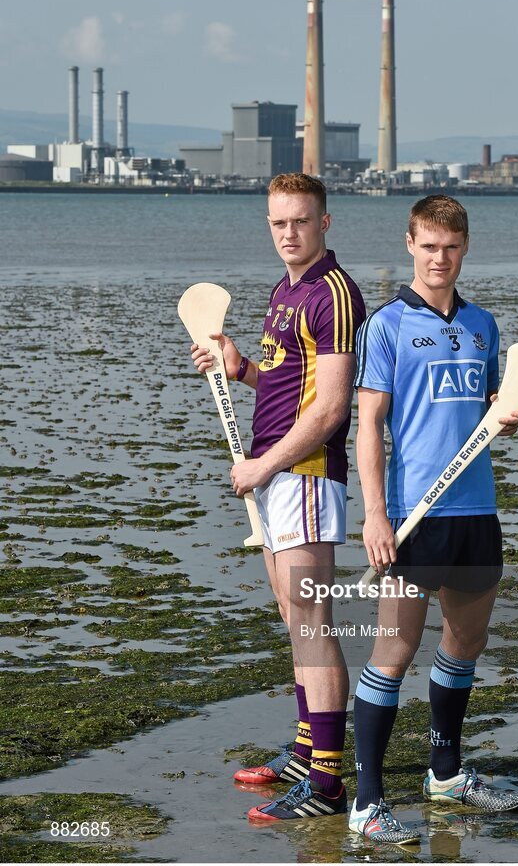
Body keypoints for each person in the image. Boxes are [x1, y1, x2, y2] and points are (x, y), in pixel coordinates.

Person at [348, 195, 518, 845]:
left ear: (465, 248)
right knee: (392, 653)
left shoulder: (483, 325)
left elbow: (485, 412)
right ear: (409, 245)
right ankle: (367, 804)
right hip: (411, 514)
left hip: (477, 508)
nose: (439, 258)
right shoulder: (388, 326)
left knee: (465, 642)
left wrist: (506, 417)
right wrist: (373, 516)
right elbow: (368, 426)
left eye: (450, 247)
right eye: (428, 245)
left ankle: (446, 775)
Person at [191, 173, 365, 823]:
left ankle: (325, 784)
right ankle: (302, 751)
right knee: (296, 622)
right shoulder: (284, 289)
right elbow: (287, 385)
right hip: (273, 480)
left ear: (325, 222)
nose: (288, 234)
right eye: (278, 224)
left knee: (314, 628)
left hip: (307, 475)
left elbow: (330, 408)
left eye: (299, 221)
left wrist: (263, 464)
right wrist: (240, 369)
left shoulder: (334, 293)